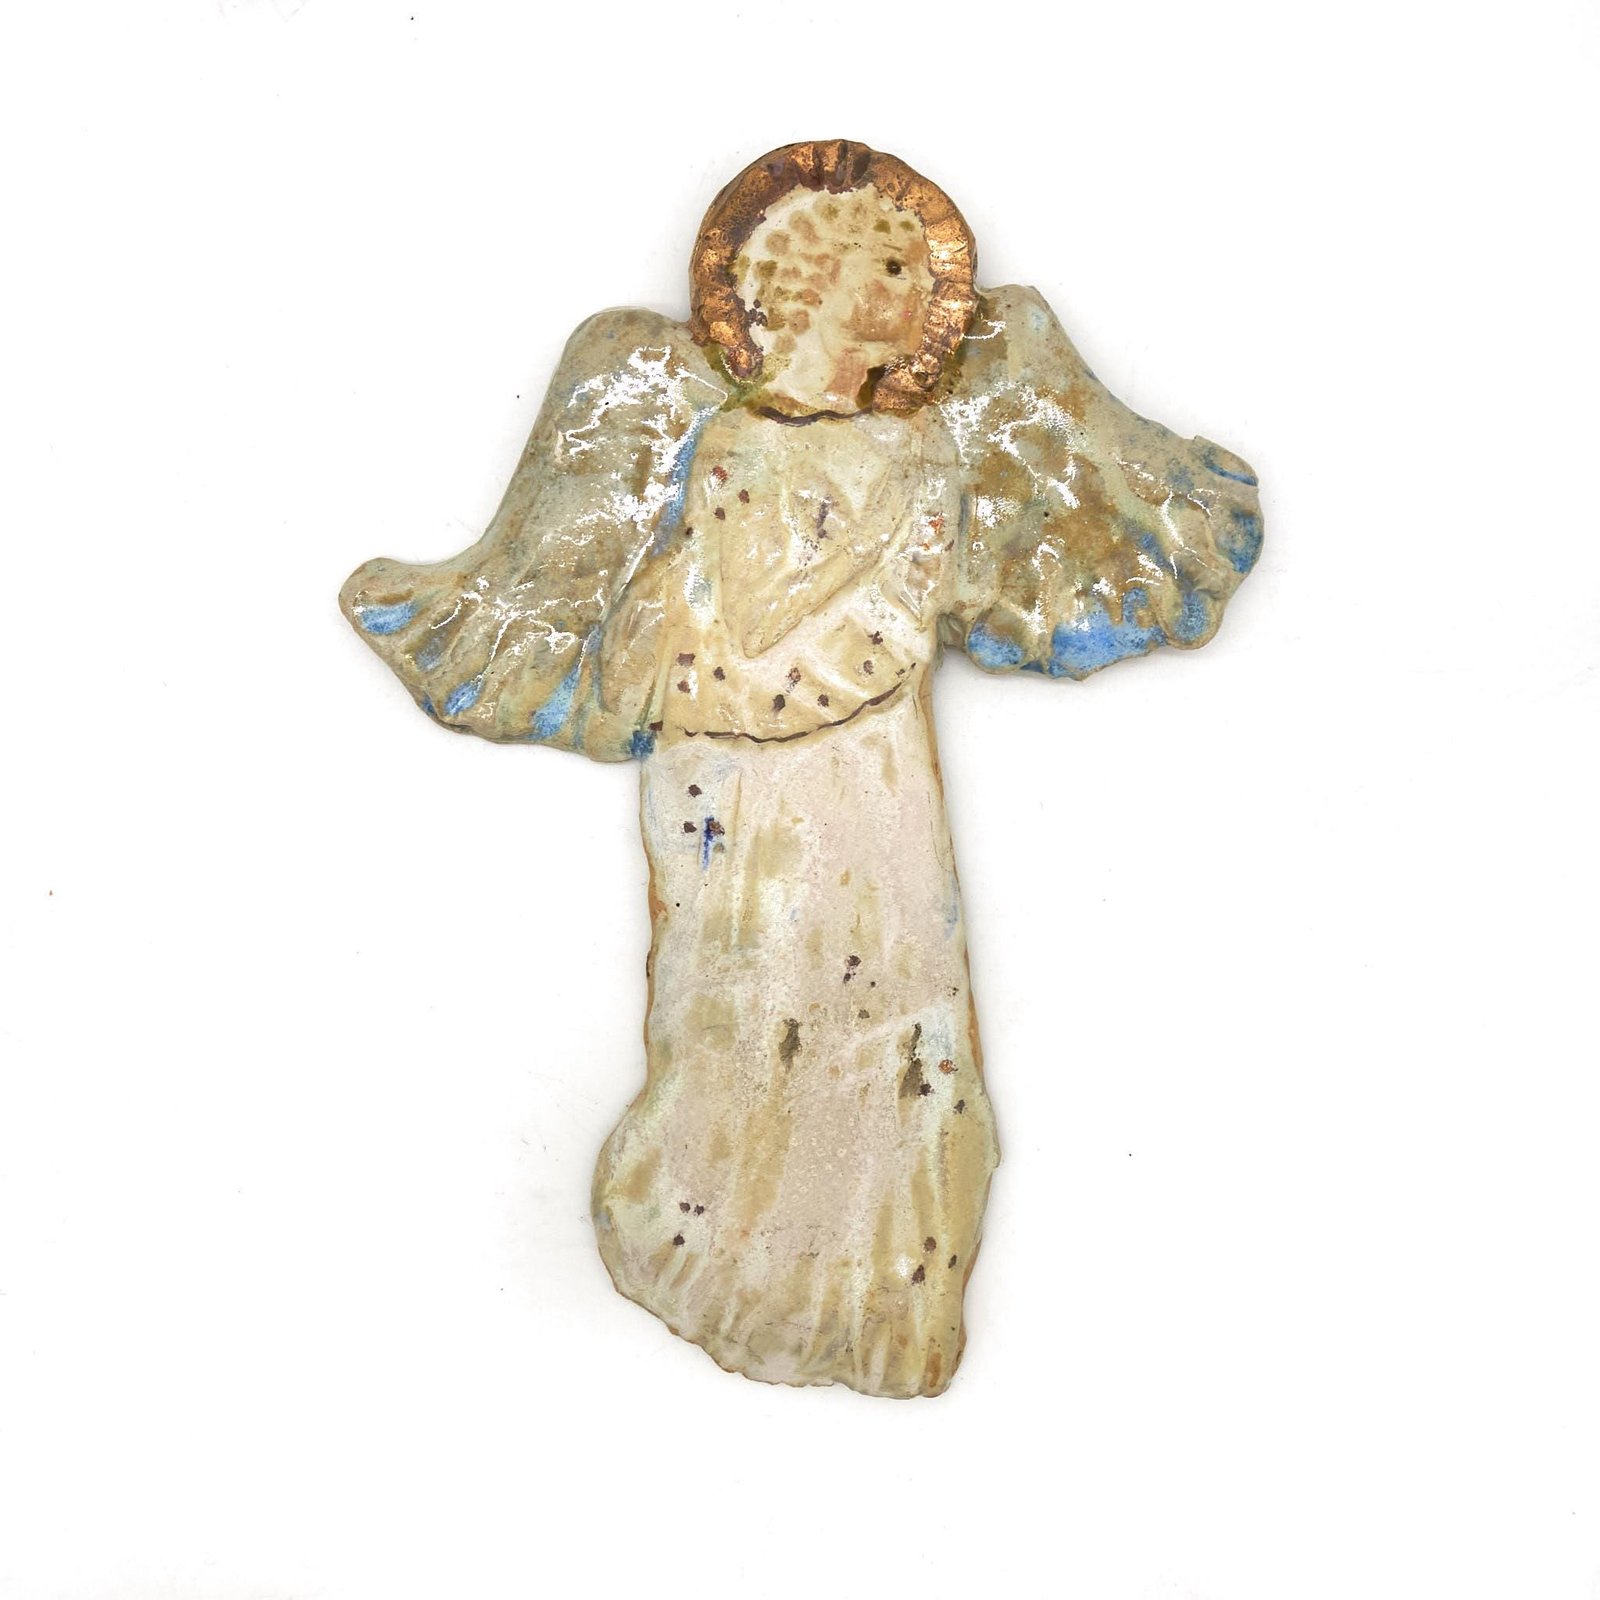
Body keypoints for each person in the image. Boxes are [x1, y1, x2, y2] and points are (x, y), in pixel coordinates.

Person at [341, 139, 1262, 1397]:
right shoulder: (724, 443)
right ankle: (727, 1251)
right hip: (732, 788)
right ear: (812, 275)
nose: (925, 292)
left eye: (924, 271)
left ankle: (878, 1290)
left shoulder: (915, 452)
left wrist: (745, 672)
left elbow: (885, 618)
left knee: (891, 998)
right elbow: (689, 616)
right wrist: (696, 666)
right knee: (735, 998)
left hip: (860, 769)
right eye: (893, 265)